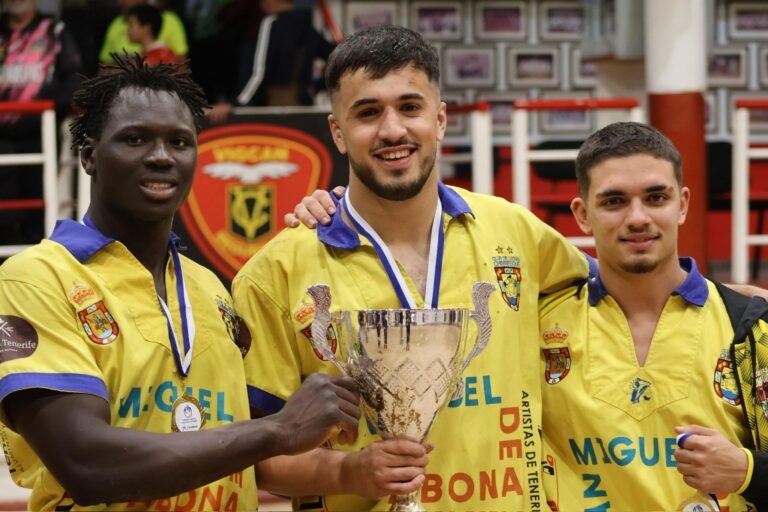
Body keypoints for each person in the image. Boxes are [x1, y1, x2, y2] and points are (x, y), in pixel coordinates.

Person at [232, 25, 590, 511]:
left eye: (410, 107)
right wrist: (347, 472)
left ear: (439, 120)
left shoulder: (517, 233)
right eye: (367, 113)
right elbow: (256, 458)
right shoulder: (276, 272)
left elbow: (628, 292)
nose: (392, 130)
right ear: (337, 132)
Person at [0, 53, 362, 511]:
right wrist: (278, 430)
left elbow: (259, 454)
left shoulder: (210, 289)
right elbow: (87, 464)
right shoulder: (36, 278)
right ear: (90, 155)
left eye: (179, 142)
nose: (160, 157)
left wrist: (357, 465)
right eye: (135, 139)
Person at [536, 121, 762, 510]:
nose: (638, 217)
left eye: (656, 198)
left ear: (682, 204)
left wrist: (749, 472)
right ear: (583, 214)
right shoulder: (537, 326)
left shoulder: (750, 328)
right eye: (614, 201)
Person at [0, 0, 82, 246]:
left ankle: (34, 259)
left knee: (39, 201)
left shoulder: (54, 30)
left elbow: (74, 77)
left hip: (40, 133)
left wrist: (51, 106)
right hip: (2, 137)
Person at [99, 0, 187, 64]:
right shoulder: (140, 56)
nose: (127, 29)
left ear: (146, 28)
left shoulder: (163, 56)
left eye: (131, 25)